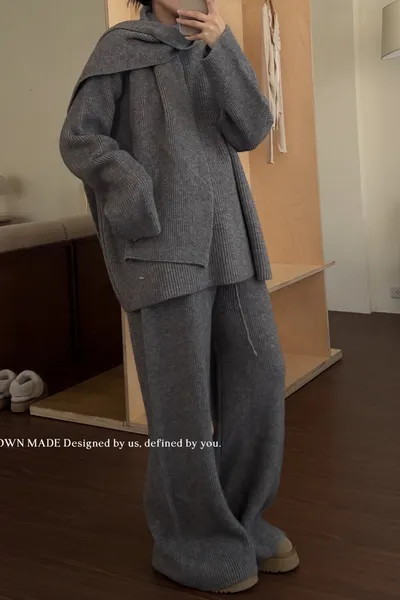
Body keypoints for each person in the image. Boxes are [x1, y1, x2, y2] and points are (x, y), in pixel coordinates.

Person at [59, 0, 299, 593]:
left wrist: (224, 47)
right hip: (163, 252)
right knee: (182, 404)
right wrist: (134, 188)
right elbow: (80, 139)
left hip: (231, 245)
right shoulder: (121, 47)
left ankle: (242, 520)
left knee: (261, 374)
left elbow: (252, 129)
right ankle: (191, 541)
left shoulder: (211, 47)